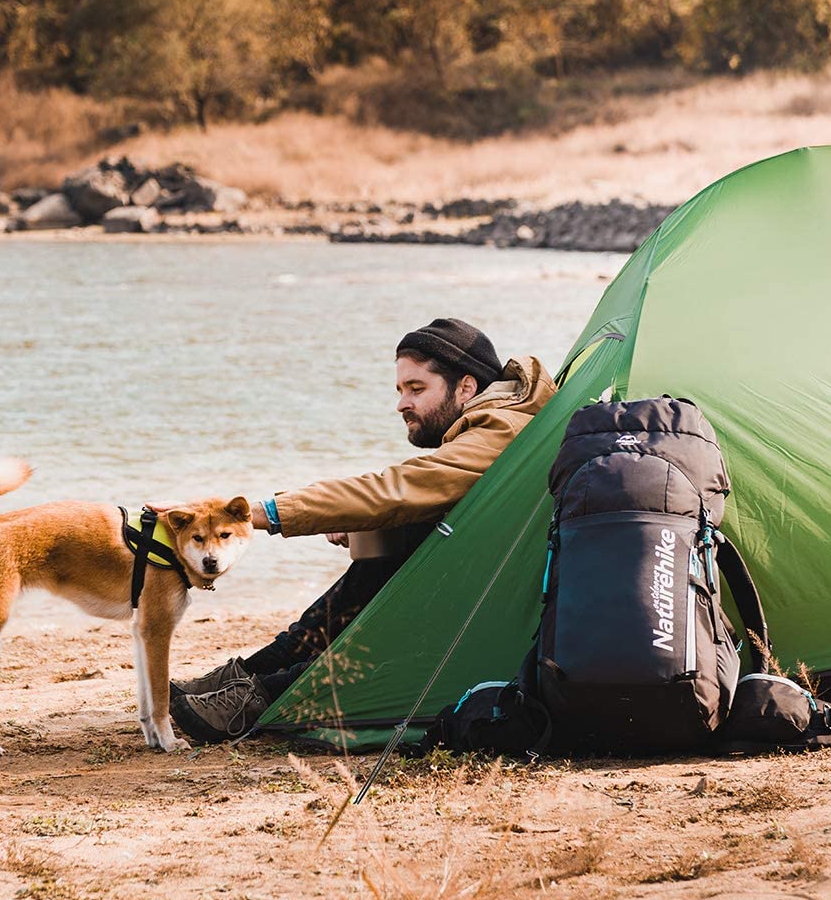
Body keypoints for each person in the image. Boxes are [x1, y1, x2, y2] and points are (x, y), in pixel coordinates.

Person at [167, 317, 557, 744]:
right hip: (495, 580)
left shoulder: (499, 431)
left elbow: (399, 488)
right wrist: (355, 521)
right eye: (399, 390)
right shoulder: (501, 420)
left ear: (465, 387)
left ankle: (266, 693)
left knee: (395, 555)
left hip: (496, 605)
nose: (401, 404)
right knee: (390, 544)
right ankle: (257, 674)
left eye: (416, 388)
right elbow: (428, 499)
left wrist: (263, 514)